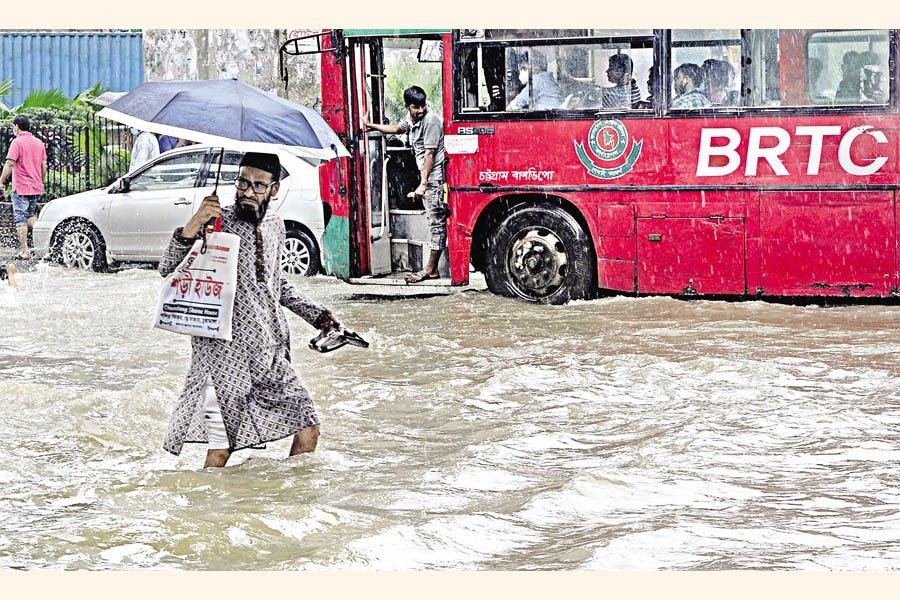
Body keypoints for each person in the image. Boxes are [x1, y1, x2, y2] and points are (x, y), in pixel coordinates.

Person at [159, 151, 341, 468]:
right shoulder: (217, 222)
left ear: (274, 189)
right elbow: (168, 267)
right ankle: (208, 513)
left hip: (267, 352)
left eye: (258, 185)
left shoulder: (275, 226)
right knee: (222, 448)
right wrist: (195, 221)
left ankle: (287, 502)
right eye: (242, 182)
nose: (247, 191)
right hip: (223, 356)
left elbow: (275, 283)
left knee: (308, 425)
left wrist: (318, 315)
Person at [363, 85, 448, 283]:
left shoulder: (431, 121)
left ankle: (430, 270)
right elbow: (396, 129)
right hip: (427, 177)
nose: (420, 110)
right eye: (415, 107)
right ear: (407, 107)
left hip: (434, 179)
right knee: (434, 223)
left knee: (437, 225)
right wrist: (370, 125)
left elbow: (430, 154)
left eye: (422, 106)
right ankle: (431, 268)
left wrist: (423, 184)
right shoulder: (412, 119)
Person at [0, 115, 47, 260]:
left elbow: (9, 164)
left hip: (21, 187)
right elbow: (43, 165)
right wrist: (40, 180)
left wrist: (1, 181)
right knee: (31, 216)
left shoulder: (17, 142)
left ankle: (24, 251)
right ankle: (44, 246)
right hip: (35, 186)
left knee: (20, 218)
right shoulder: (39, 143)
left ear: (17, 126)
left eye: (14, 126)